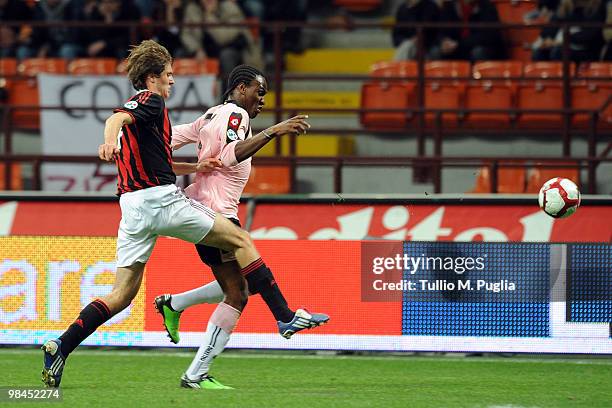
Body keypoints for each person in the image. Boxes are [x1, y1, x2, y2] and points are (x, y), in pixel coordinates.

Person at [40, 41, 309, 389]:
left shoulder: (154, 122)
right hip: (161, 201)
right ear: (152, 78)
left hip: (132, 208)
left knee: (121, 294)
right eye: (168, 75)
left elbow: (160, 157)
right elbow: (116, 117)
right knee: (239, 237)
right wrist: (108, 140)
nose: (172, 81)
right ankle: (284, 316)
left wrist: (196, 165)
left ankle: (61, 345)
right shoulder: (150, 101)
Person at [155, 65, 329, 389]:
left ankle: (186, 345)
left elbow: (164, 140)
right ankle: (285, 316)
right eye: (258, 91)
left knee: (237, 292)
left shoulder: (209, 116)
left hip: (199, 213)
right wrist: (273, 131)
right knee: (243, 249)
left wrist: (131, 140)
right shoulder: (236, 115)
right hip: (215, 214)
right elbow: (231, 155)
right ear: (239, 88)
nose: (261, 100)